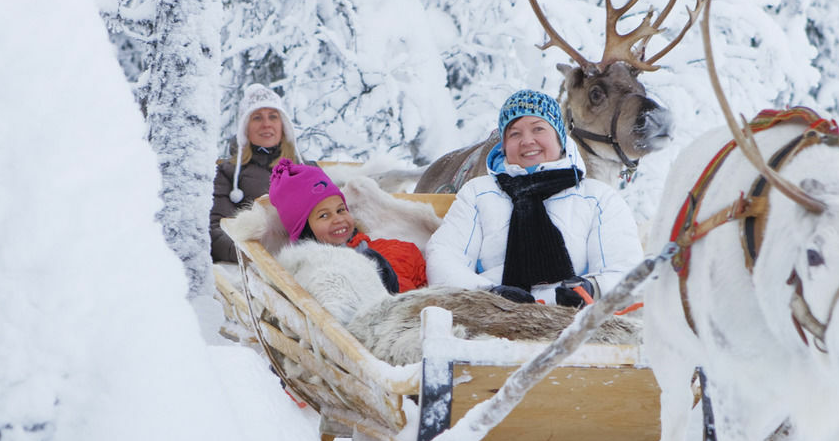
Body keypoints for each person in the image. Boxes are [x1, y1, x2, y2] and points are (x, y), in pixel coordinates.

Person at [425, 89, 641, 305]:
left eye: (538, 129)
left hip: (574, 321)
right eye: (514, 133)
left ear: (559, 137)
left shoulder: (597, 198)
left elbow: (624, 269)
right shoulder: (479, 193)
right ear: (504, 144)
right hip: (492, 317)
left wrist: (591, 289)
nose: (527, 141)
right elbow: (445, 255)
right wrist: (489, 293)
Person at [264, 159, 428, 292]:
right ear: (306, 230)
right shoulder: (317, 275)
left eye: (341, 210)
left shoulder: (398, 249)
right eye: (324, 215)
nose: (338, 219)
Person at [212, 85, 302, 263]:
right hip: (257, 261)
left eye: (273, 116)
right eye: (257, 117)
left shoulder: (305, 169)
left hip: (305, 254)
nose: (266, 124)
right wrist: (250, 256)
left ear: (283, 126)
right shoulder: (228, 174)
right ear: (245, 128)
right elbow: (217, 228)